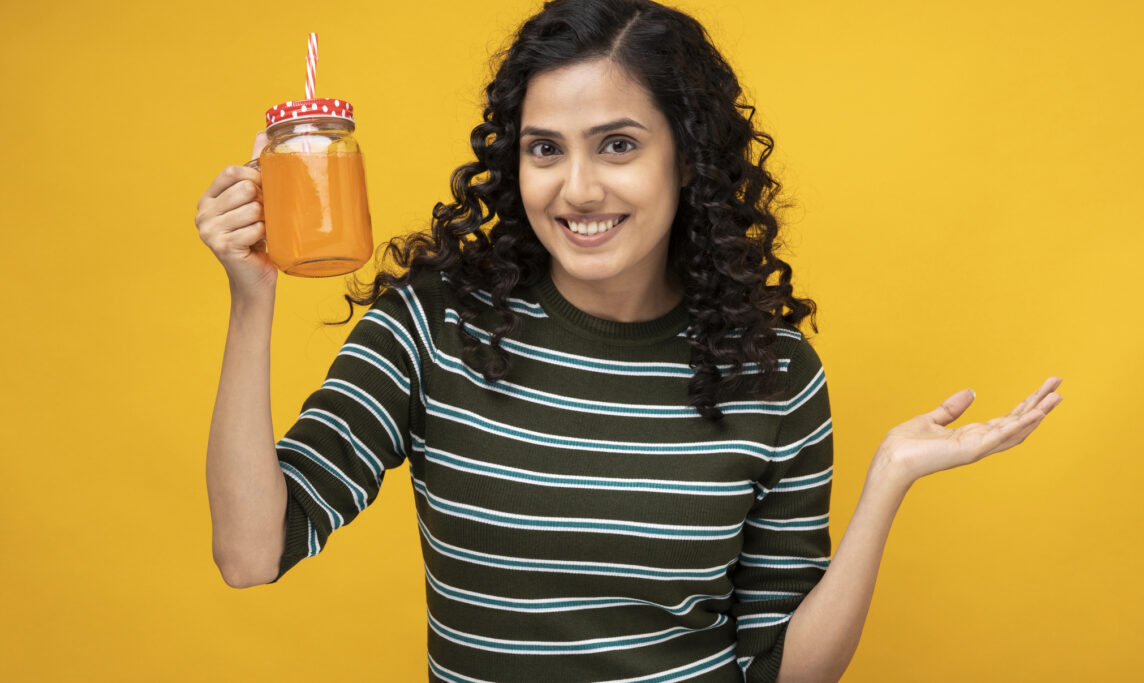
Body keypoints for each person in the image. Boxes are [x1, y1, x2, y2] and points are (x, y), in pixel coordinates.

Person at [193, 1, 1064, 681]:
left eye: (616, 145)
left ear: (687, 159)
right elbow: (249, 550)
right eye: (545, 149)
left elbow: (782, 671)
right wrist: (252, 298)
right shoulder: (435, 323)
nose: (577, 189)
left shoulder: (775, 374)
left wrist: (887, 484)